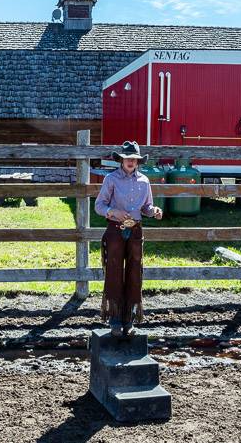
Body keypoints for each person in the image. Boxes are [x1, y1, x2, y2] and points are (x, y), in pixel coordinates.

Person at [94, 141, 163, 337]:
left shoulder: (144, 181)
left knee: (134, 272)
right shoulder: (111, 179)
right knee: (114, 270)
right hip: (115, 230)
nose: (131, 161)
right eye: (127, 158)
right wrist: (112, 211)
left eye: (134, 159)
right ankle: (115, 320)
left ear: (138, 161)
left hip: (135, 231)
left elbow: (147, 207)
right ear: (121, 160)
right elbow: (99, 206)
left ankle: (129, 320)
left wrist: (154, 211)